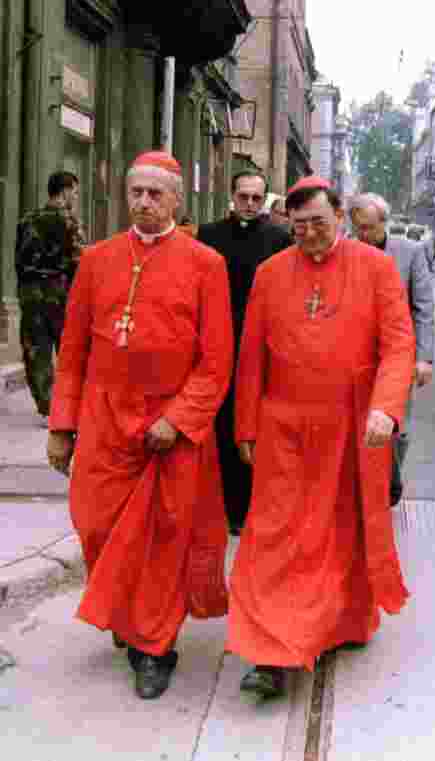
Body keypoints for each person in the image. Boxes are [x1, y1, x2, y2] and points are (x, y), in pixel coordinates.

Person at [46, 151, 234, 700]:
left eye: (156, 194)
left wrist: (178, 419)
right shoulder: (97, 260)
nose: (145, 203)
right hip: (105, 423)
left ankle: (154, 646)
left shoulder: (205, 265)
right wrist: (63, 426)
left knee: (160, 541)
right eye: (136, 193)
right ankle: (127, 616)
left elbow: (216, 361)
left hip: (168, 430)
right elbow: (74, 352)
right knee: (97, 527)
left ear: (177, 199)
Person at [227, 176, 415, 698]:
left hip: (352, 429)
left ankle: (338, 621)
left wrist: (385, 408)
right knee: (275, 539)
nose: (308, 235)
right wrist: (245, 424)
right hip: (284, 428)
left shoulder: (375, 268)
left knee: (339, 535)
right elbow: (251, 357)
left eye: (319, 224)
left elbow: (399, 345)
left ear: (339, 218)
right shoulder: (270, 274)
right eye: (299, 226)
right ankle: (270, 654)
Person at [198, 171, 292, 535]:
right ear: (232, 196)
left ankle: (247, 507)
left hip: (261, 344)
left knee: (252, 426)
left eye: (256, 198)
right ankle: (219, 505)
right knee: (219, 424)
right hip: (216, 338)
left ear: (264, 200)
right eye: (243, 197)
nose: (249, 204)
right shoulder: (209, 235)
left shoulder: (279, 238)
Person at [349, 193, 434, 480]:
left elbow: (423, 307)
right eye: (358, 227)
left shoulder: (410, 252)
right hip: (354, 353)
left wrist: (423, 358)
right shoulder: (346, 251)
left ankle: (390, 480)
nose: (364, 234)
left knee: (395, 421)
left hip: (396, 355)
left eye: (369, 227)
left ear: (384, 222)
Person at [15, 170, 86, 421]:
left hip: (31, 293)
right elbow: (80, 262)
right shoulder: (69, 222)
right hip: (60, 292)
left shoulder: (26, 219)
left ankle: (47, 405)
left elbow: (19, 260)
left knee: (36, 349)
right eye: (75, 192)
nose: (75, 198)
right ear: (65, 191)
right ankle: (67, 405)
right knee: (69, 349)